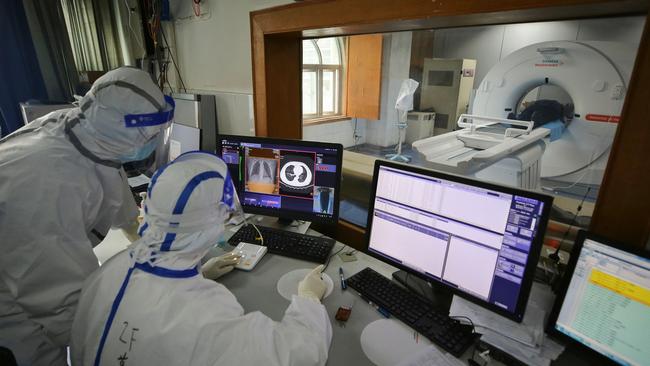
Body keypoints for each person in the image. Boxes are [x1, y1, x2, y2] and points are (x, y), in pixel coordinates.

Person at [70, 151, 332, 365]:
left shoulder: (107, 272)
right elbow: (297, 355)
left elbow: (149, 304)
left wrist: (202, 274)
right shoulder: (206, 315)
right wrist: (309, 299)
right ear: (209, 223)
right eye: (224, 215)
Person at [0, 67, 175, 366]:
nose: (155, 141)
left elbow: (120, 203)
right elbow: (63, 307)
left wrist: (167, 257)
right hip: (13, 312)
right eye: (153, 134)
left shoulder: (88, 132)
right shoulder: (46, 183)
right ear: (128, 132)